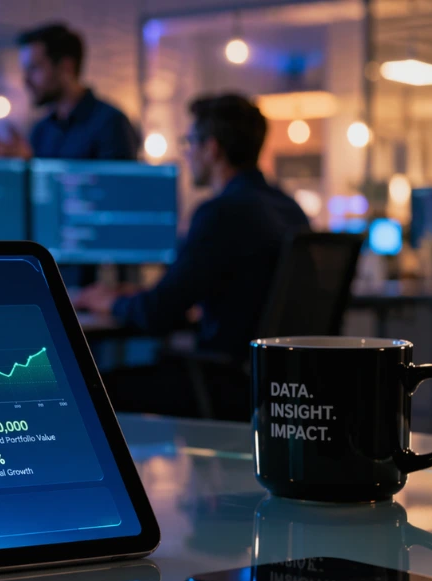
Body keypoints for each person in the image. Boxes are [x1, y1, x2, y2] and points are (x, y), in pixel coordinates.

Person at [74, 93, 311, 419]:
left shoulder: (221, 213)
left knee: (92, 387)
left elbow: (157, 312)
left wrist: (106, 301)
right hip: (277, 384)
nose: (187, 153)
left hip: (222, 381)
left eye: (190, 142)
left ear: (211, 149)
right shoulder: (290, 209)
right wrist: (141, 296)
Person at [0, 23, 138, 161]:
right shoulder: (42, 130)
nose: (26, 80)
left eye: (34, 69)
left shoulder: (110, 124)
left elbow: (118, 194)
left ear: (66, 67)